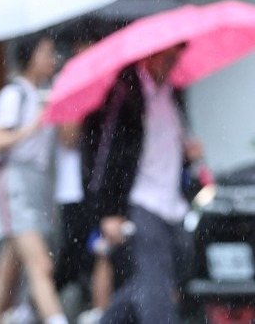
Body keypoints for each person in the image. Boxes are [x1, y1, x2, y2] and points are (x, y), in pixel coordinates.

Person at [81, 44, 200, 323]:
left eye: (176, 58)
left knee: (166, 275)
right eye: (168, 58)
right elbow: (108, 155)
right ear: (150, 55)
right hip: (143, 200)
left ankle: (108, 320)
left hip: (173, 202)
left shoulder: (172, 94)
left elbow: (170, 144)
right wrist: (108, 210)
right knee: (156, 282)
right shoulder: (127, 94)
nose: (172, 64)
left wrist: (188, 156)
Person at [0, 33, 68, 324]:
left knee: (8, 269)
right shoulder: (13, 94)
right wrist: (32, 126)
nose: (52, 59)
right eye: (46, 53)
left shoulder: (45, 93)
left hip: (38, 184)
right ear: (30, 57)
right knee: (40, 264)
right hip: (15, 181)